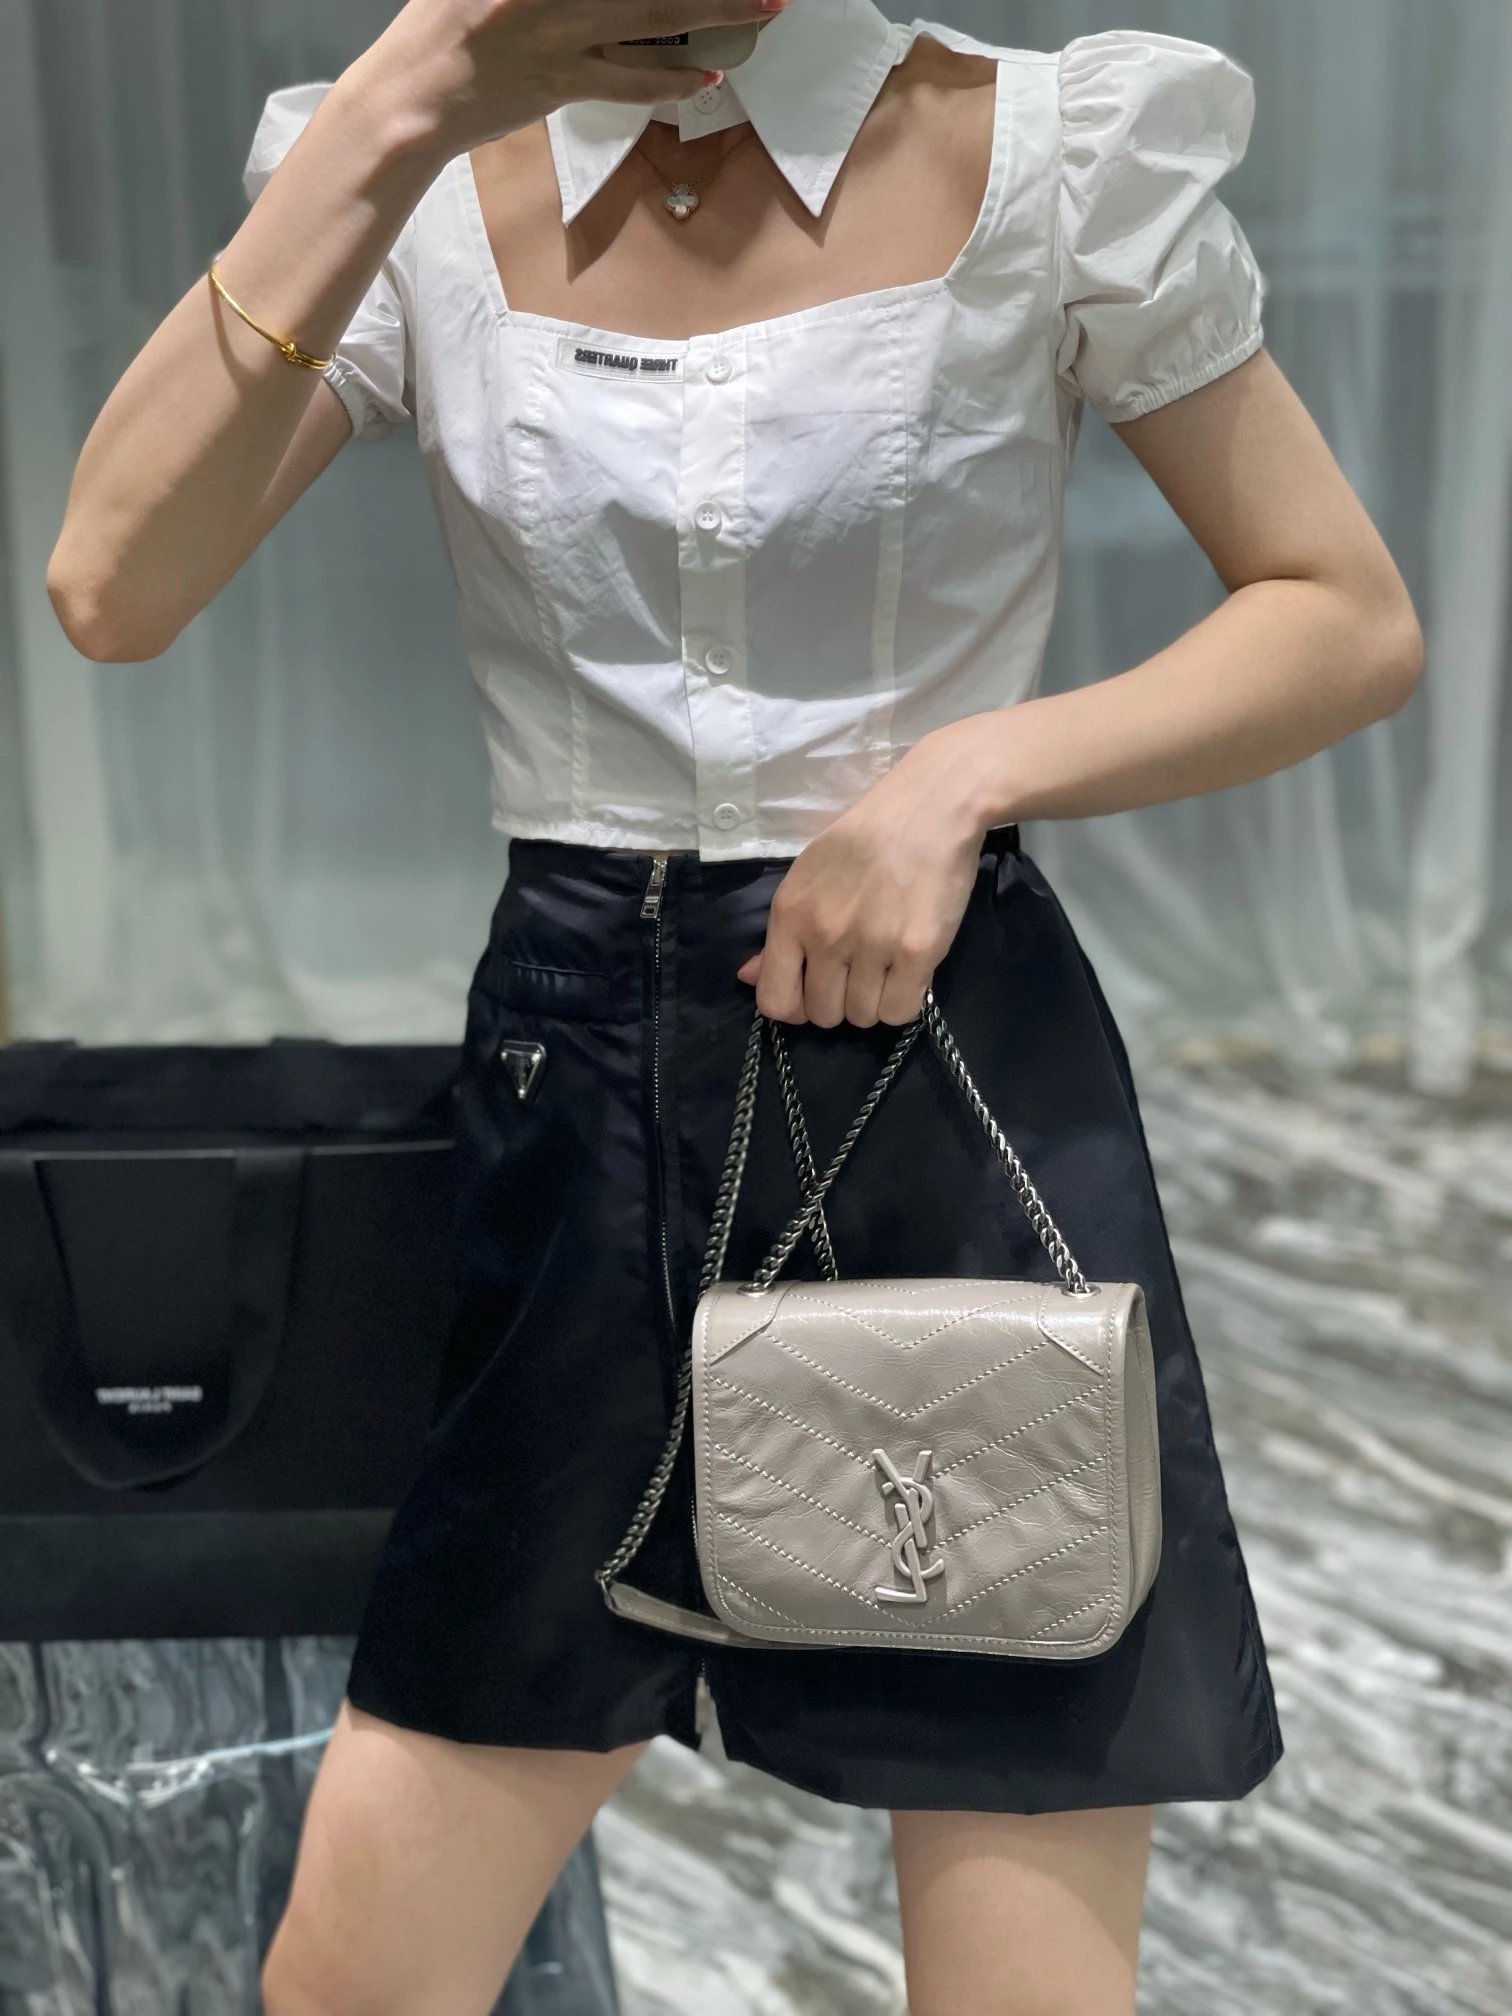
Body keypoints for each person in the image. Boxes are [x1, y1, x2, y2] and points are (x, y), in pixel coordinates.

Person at [46, 0, 1422, 2009]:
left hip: (940, 1076)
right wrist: (406, 98)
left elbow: (1343, 611)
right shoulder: (417, 176)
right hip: (575, 1105)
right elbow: (111, 584)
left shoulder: (1048, 154)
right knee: (356, 1977)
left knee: (1017, 1966)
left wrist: (963, 774)